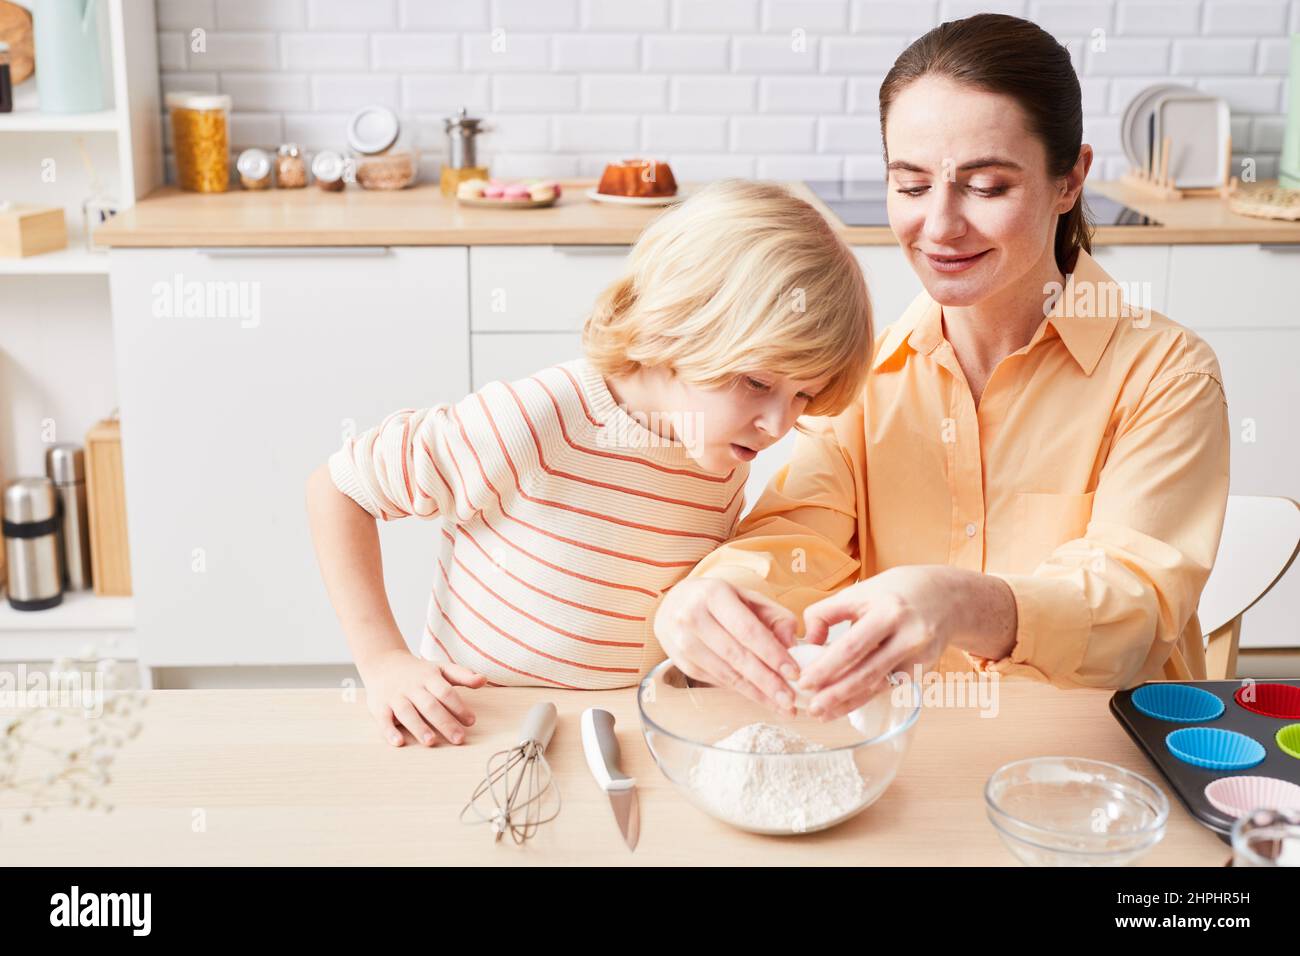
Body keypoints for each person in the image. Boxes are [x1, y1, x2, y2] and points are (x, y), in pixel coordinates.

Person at [654, 14, 1230, 722]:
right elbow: (796, 536)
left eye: (986, 187)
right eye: (913, 184)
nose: (940, 225)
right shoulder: (866, 376)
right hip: (913, 759)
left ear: (1070, 180)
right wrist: (711, 595)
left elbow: (1136, 604)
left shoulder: (1166, 375)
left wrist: (964, 603)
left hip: (1106, 755)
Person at [306, 179, 873, 746]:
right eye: (757, 382)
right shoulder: (534, 420)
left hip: (620, 735)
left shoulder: (722, 452)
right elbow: (339, 488)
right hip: (478, 731)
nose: (777, 425)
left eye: (803, 395)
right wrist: (383, 661)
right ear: (676, 324)